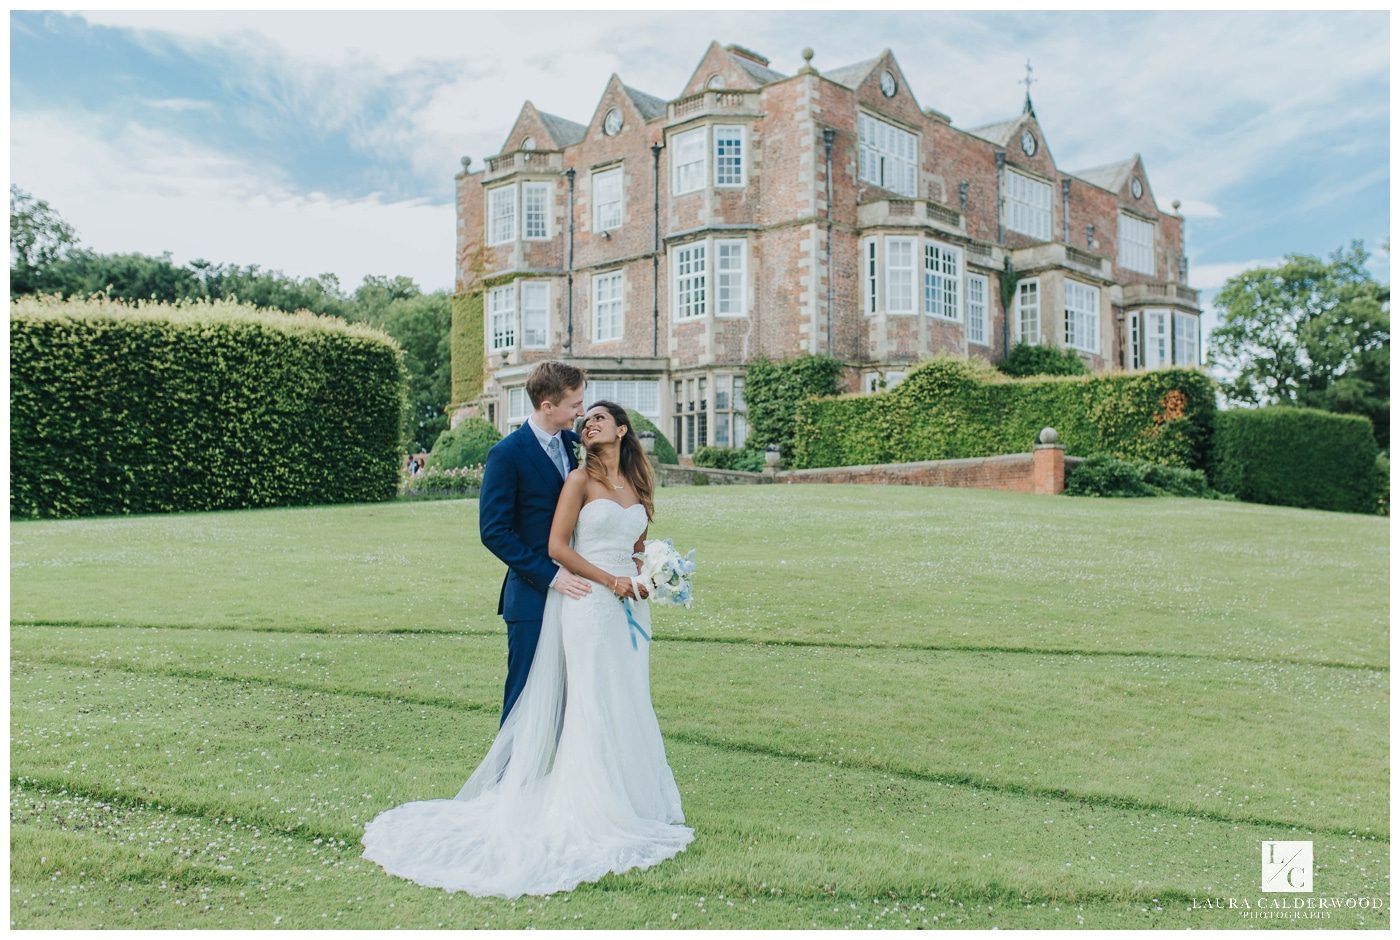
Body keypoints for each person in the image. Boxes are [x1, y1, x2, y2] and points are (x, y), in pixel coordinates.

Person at [361, 400, 693, 896]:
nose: (589, 422)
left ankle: (631, 798)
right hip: (587, 602)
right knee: (589, 700)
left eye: (600, 417)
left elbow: (639, 549)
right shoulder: (578, 481)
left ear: (623, 429)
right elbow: (559, 546)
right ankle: (586, 804)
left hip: (629, 610)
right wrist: (611, 581)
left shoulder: (639, 486)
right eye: (585, 418)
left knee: (626, 698)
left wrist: (649, 579)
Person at [478, 361, 593, 725]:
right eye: (575, 404)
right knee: (523, 700)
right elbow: (493, 532)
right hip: (531, 596)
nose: (582, 411)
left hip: (581, 593)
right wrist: (551, 575)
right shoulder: (506, 454)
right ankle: (507, 781)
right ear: (548, 405)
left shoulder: (577, 445)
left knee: (575, 696)